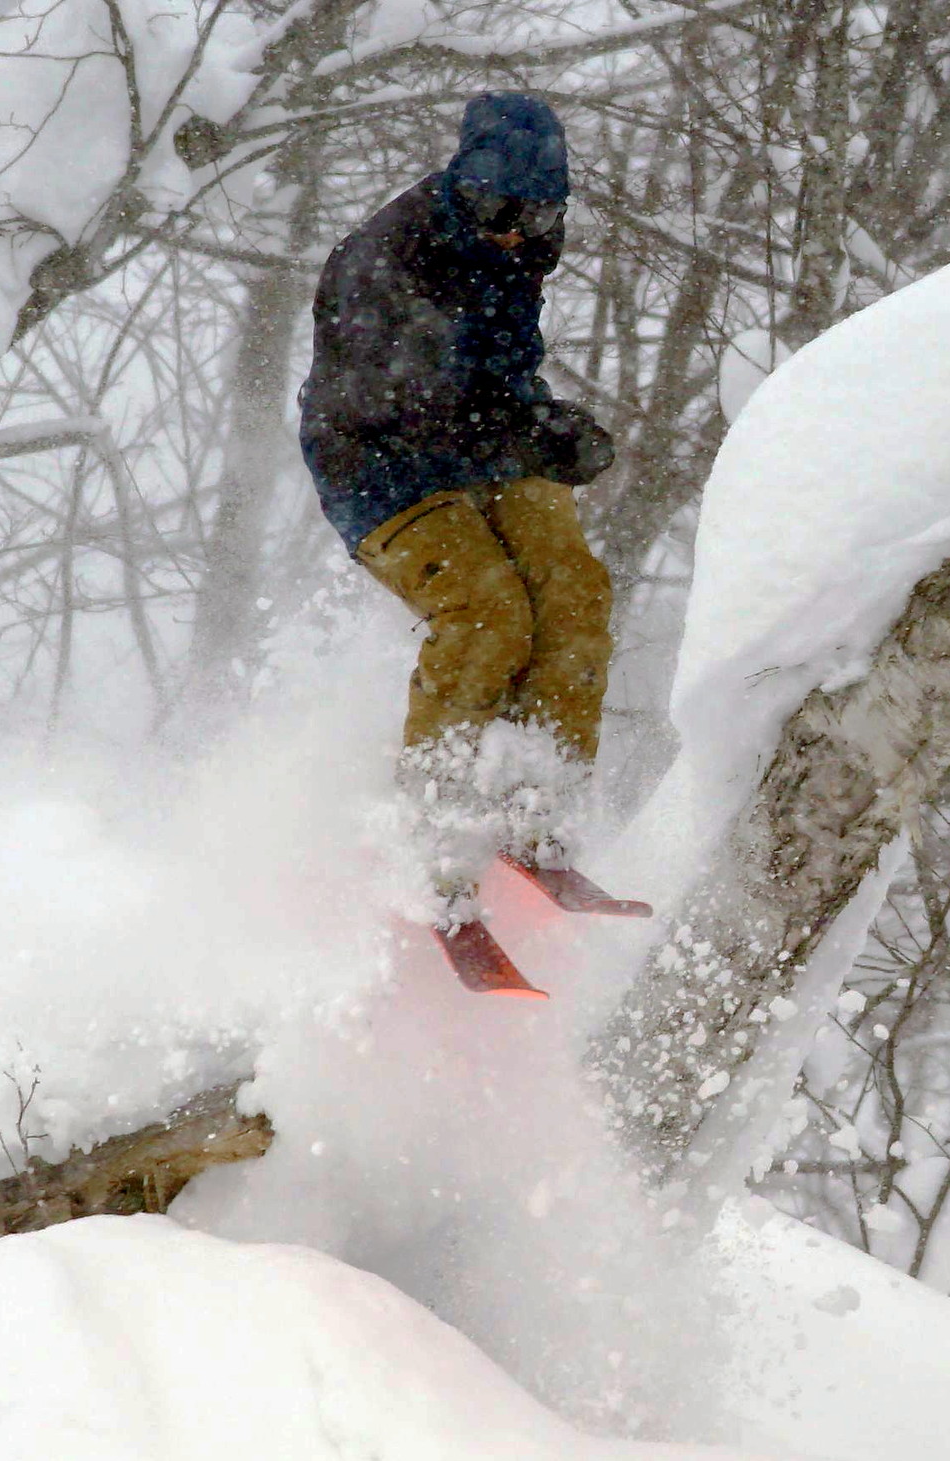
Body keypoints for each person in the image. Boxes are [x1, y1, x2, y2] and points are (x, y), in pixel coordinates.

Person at [299, 93, 616, 896]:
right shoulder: (384, 258)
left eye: (537, 213)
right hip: (380, 465)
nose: (513, 228)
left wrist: (551, 424)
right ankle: (429, 829)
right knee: (488, 612)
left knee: (574, 593)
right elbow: (407, 407)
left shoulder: (522, 249)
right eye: (494, 205)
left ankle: (537, 807)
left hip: (489, 442)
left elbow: (502, 370)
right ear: (459, 184)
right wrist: (523, 433)